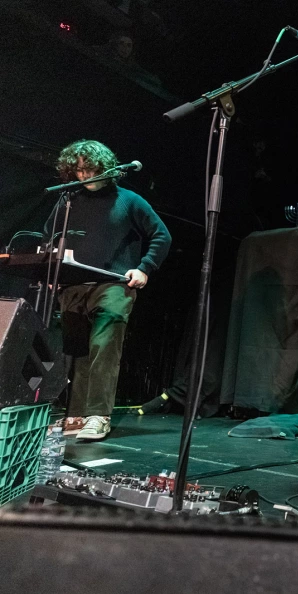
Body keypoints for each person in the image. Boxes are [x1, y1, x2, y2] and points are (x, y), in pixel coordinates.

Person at [45, 140, 171, 440]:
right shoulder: (67, 201)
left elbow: (161, 235)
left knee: (103, 348)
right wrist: (51, 268)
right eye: (78, 170)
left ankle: (98, 415)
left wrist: (144, 268)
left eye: (90, 169)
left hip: (113, 285)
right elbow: (50, 235)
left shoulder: (129, 200)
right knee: (75, 352)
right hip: (73, 286)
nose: (84, 176)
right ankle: (75, 415)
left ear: (105, 168)